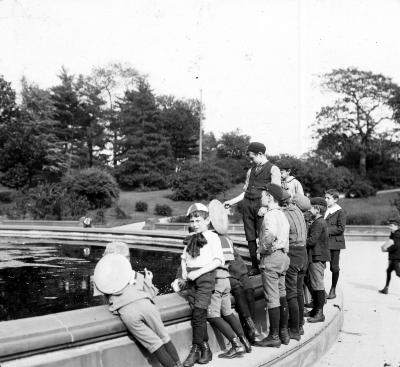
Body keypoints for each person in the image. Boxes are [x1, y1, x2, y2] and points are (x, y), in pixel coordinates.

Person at [93, 254, 182, 367]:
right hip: (145, 304)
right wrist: (148, 280)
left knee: (155, 344)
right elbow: (151, 293)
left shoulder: (102, 278)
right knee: (164, 337)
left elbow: (104, 300)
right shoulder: (133, 274)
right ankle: (179, 364)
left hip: (127, 311)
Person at [223, 142, 281, 276]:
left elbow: (275, 192)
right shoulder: (251, 170)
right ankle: (255, 266)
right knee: (250, 238)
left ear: (260, 154)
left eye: (252, 157)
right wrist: (231, 201)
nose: (250, 160)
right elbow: (245, 191)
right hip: (247, 205)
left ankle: (266, 265)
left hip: (262, 206)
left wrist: (266, 207)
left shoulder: (273, 169)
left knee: (264, 237)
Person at [181, 203, 224, 367]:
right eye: (192, 221)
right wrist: (185, 271)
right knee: (196, 314)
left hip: (205, 278)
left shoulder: (212, 237)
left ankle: (195, 349)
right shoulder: (191, 237)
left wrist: (198, 273)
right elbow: (184, 258)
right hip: (191, 279)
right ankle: (206, 349)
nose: (194, 224)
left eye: (198, 220)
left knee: (199, 313)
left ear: (207, 220)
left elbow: (218, 260)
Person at [253, 183, 290, 348]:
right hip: (283, 257)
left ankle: (274, 336)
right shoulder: (282, 215)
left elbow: (270, 234)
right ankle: (284, 332)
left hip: (272, 257)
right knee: (282, 294)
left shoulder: (269, 215)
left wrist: (260, 249)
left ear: (270, 197)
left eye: (263, 194)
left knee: (272, 297)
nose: (261, 197)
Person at [281, 192, 308, 341]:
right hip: (303, 254)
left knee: (290, 294)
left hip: (294, 254)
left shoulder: (284, 214)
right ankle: (300, 324)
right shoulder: (298, 211)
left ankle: (294, 330)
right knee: (298, 291)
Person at [306, 197, 330, 323]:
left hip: (317, 257)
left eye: (311, 207)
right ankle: (315, 310)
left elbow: (311, 241)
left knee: (317, 284)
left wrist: (298, 241)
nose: (309, 209)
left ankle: (320, 313)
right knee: (314, 283)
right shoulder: (318, 221)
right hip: (316, 256)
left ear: (317, 208)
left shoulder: (319, 223)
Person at [324, 189, 346, 300]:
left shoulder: (340, 211)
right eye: (325, 197)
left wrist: (325, 230)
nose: (326, 200)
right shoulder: (325, 210)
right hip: (324, 242)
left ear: (336, 199)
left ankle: (333, 289)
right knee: (320, 266)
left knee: (334, 267)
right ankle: (321, 290)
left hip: (335, 243)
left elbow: (341, 228)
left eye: (328, 198)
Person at [379, 216, 400, 294]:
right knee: (388, 271)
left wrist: (386, 249)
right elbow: (390, 240)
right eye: (389, 225)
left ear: (396, 226)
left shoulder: (397, 234)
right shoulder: (394, 233)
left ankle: (386, 288)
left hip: (396, 256)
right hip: (394, 255)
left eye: (391, 226)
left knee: (398, 273)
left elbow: (396, 246)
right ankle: (386, 288)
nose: (389, 227)